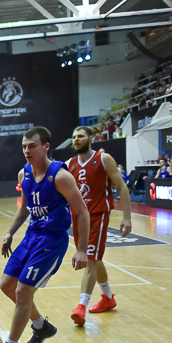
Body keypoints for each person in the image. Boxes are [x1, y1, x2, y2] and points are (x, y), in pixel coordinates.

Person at [0, 127, 89, 343]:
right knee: (6, 286)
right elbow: (24, 208)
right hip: (31, 236)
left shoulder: (60, 177)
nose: (27, 151)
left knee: (23, 291)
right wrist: (10, 232)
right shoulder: (24, 174)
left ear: (46, 146)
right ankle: (41, 326)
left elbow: (82, 211)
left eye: (32, 146)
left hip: (51, 241)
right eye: (24, 147)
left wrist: (82, 249)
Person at [66, 127, 132, 325]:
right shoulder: (69, 164)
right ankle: (108, 298)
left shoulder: (104, 159)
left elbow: (122, 187)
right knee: (95, 258)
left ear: (91, 138)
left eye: (81, 136)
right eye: (74, 137)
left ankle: (81, 307)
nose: (76, 139)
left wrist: (126, 217)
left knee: (90, 259)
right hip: (79, 217)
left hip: (98, 215)